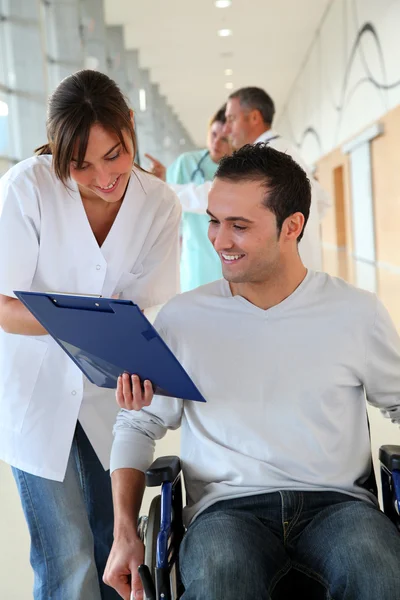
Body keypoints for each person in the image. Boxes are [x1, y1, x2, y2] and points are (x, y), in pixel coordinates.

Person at [104, 144, 400, 600]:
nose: (220, 240)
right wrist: (125, 531)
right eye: (214, 222)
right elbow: (140, 421)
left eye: (239, 226)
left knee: (376, 568)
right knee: (224, 576)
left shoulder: (355, 312)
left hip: (339, 506)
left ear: (292, 227)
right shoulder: (183, 318)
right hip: (226, 512)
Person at [0, 70, 181, 600]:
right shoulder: (29, 187)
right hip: (34, 390)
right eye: (81, 165)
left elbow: (148, 310)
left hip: (111, 391)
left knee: (112, 546)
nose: (104, 177)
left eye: (115, 155)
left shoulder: (159, 204)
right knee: (66, 554)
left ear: (129, 125)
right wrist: (90, 322)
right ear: (59, 153)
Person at [172, 86, 331, 272]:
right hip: (302, 269)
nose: (227, 129)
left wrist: (164, 191)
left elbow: (221, 197)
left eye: (232, 119)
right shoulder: (287, 149)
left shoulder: (266, 156)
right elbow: (322, 202)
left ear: (255, 117)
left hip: (280, 276)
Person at [146, 105, 232, 291]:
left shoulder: (238, 169)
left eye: (224, 139)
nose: (216, 142)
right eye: (213, 134)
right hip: (197, 255)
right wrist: (161, 182)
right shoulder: (187, 162)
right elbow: (168, 202)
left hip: (228, 253)